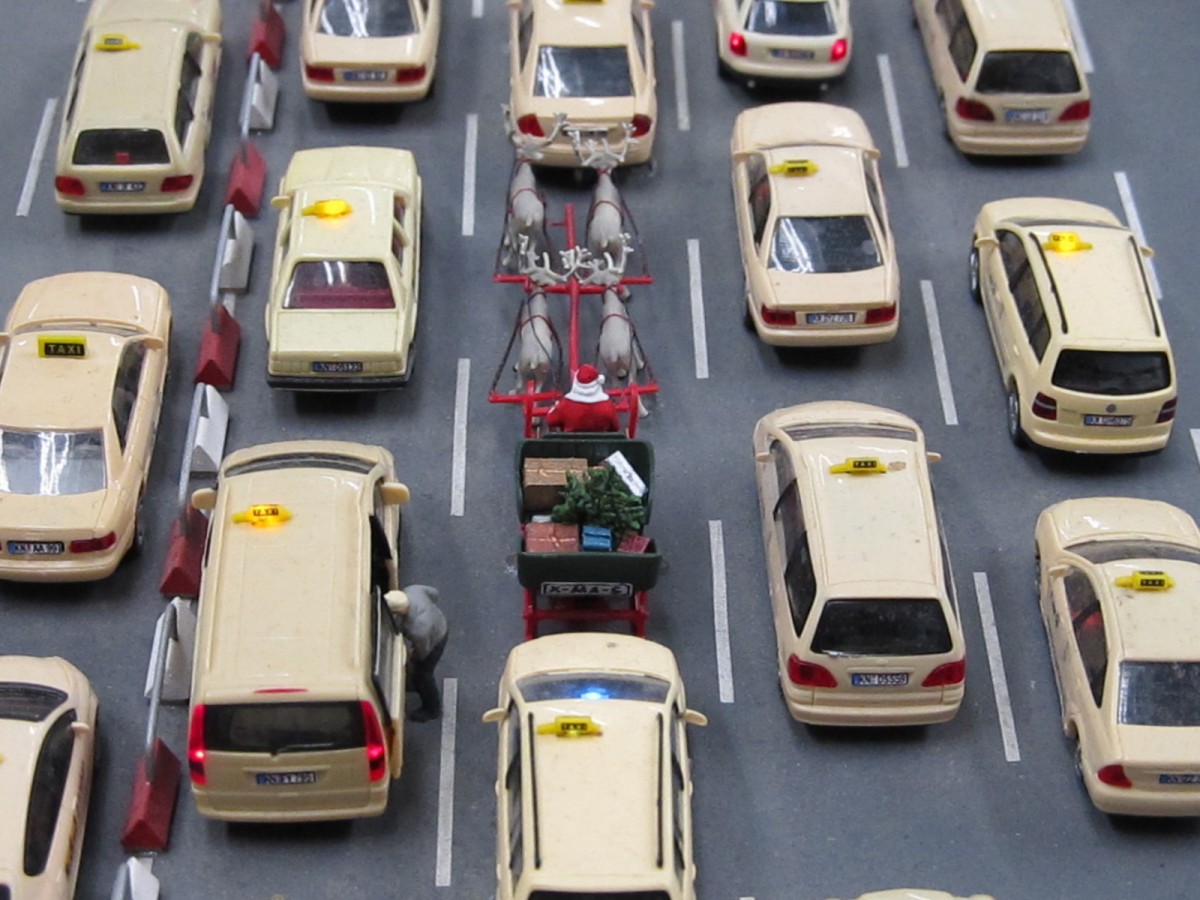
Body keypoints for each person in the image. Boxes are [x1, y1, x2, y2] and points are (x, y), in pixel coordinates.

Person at [392, 584, 448, 722]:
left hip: (436, 639)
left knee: (423, 675)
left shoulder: (419, 628)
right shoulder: (413, 591)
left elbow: (422, 653)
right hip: (439, 621)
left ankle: (432, 709)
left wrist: (413, 656)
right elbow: (434, 592)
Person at [545, 364, 621, 433]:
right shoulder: (608, 407)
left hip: (572, 447)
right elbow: (615, 427)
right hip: (600, 447)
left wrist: (555, 407)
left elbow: (550, 420)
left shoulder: (566, 405)